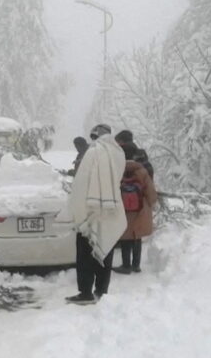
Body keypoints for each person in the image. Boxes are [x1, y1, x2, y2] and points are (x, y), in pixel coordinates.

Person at [62, 124, 128, 305]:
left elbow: (82, 182)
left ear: (96, 135)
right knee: (105, 248)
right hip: (111, 207)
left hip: (90, 210)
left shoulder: (94, 152)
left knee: (85, 252)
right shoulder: (118, 153)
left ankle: (85, 292)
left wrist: (77, 206)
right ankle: (102, 291)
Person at [114, 143, 158, 274]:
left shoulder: (117, 171)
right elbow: (151, 194)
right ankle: (136, 265)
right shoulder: (142, 171)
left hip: (122, 210)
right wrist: (150, 203)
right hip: (140, 209)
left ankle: (126, 265)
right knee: (136, 237)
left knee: (124, 237)